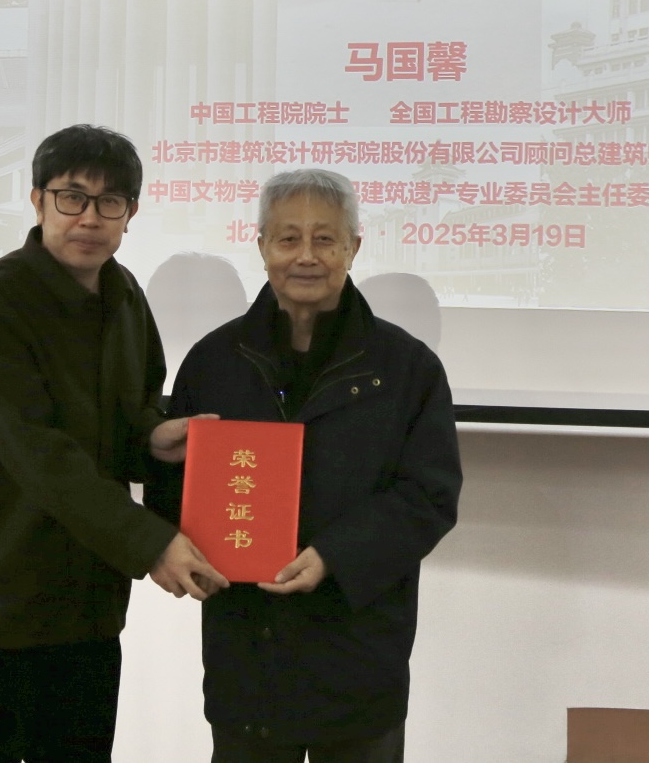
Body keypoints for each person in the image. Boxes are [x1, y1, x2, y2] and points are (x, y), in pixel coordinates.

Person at [0, 123, 226, 763]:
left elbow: (128, 413)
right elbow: (39, 454)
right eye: (71, 197)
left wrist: (155, 437)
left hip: (85, 605)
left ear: (131, 213)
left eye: (109, 201)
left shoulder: (125, 294)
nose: (89, 217)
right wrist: (152, 543)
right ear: (38, 200)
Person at [150, 168, 462, 762]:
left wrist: (335, 556)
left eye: (325, 239)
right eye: (288, 238)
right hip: (247, 656)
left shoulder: (407, 367)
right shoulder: (214, 361)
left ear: (354, 247)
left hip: (358, 652)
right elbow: (176, 485)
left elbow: (429, 496)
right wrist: (173, 544)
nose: (306, 256)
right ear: (261, 245)